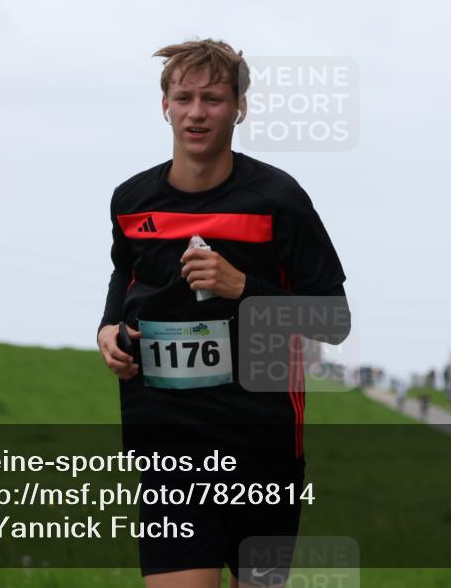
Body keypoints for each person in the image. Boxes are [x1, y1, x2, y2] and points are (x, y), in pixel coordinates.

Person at [95, 39, 350, 588]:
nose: (196, 112)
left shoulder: (278, 200)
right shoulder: (131, 200)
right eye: (183, 97)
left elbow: (333, 319)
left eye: (212, 98)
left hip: (262, 449)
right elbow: (126, 273)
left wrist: (243, 288)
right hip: (166, 445)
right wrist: (107, 328)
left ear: (239, 107)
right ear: (164, 105)